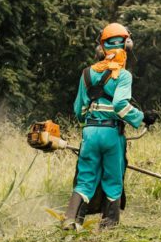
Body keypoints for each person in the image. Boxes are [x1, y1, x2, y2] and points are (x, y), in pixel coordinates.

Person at [63, 23, 156, 229]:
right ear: (127, 46)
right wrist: (142, 117)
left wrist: (89, 127)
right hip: (111, 134)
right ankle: (107, 229)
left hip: (90, 132)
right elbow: (120, 105)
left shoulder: (87, 73)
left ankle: (71, 222)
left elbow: (78, 109)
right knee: (113, 181)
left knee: (85, 178)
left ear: (101, 48)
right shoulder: (123, 75)